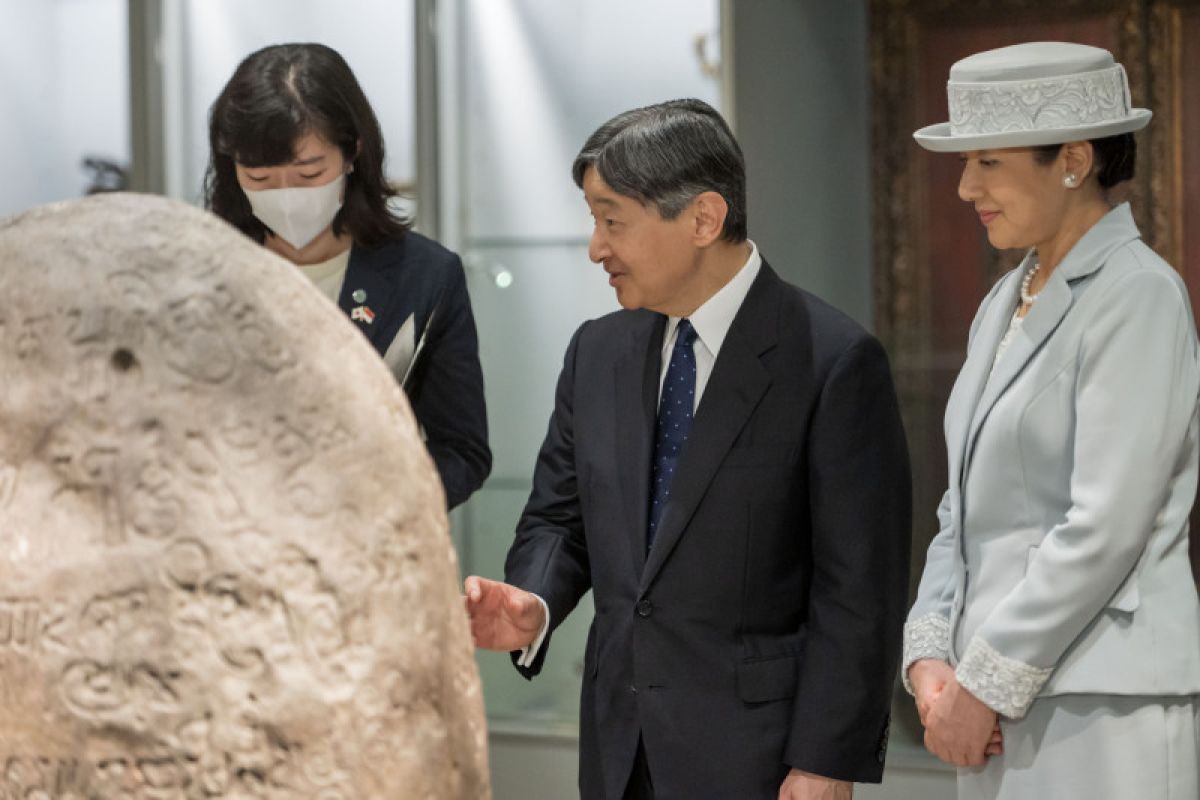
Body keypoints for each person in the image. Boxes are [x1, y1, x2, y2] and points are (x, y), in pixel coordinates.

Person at [465, 99, 911, 799]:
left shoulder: (831, 361)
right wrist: (534, 599)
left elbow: (858, 591)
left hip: (760, 757)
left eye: (613, 220)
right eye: (593, 220)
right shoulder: (598, 351)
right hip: (618, 747)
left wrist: (826, 758)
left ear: (704, 218)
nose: (596, 247)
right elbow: (561, 517)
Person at [903, 42, 1200, 799]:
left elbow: (1104, 524)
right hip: (994, 706)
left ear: (1073, 159)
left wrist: (982, 685)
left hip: (1100, 706)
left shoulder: (1139, 294)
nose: (966, 187)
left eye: (988, 163)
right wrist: (931, 658)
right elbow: (959, 511)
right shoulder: (1002, 302)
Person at [204, 43, 490, 508]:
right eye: (259, 178)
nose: (285, 195)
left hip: (367, 553)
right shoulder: (198, 272)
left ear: (353, 152)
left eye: (309, 172)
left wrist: (375, 503)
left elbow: (461, 450)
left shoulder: (425, 277)